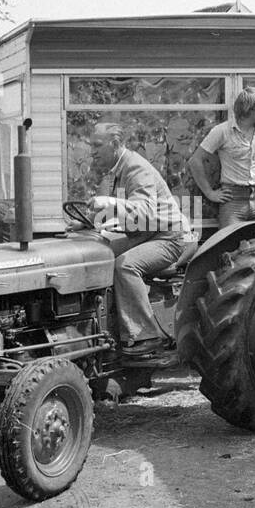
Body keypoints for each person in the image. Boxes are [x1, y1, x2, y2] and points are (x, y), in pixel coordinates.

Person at [87, 122, 194, 357]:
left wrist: (108, 202)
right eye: (91, 145)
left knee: (125, 265)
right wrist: (87, 221)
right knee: (97, 255)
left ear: (115, 145)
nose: (92, 151)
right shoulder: (118, 169)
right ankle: (103, 328)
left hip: (168, 237)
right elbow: (123, 212)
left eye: (97, 145)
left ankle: (146, 335)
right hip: (143, 233)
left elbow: (144, 211)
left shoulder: (136, 168)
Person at [188, 86, 255, 227]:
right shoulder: (223, 131)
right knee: (230, 244)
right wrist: (210, 193)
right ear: (251, 108)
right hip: (233, 202)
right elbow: (195, 161)